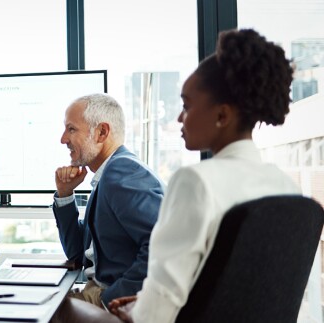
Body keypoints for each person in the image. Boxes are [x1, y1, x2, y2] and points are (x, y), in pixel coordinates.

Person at [106, 29, 300, 322]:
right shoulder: (287, 189)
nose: (179, 118)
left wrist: (141, 310)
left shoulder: (196, 183)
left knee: (62, 308)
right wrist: (147, 303)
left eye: (186, 105)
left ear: (222, 116)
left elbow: (158, 310)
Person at [53, 93, 164, 307]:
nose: (63, 139)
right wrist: (65, 194)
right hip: (97, 290)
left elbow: (162, 243)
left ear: (102, 132)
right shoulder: (107, 176)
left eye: (71, 129)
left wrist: (111, 299)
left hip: (110, 297)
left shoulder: (121, 171)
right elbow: (77, 253)